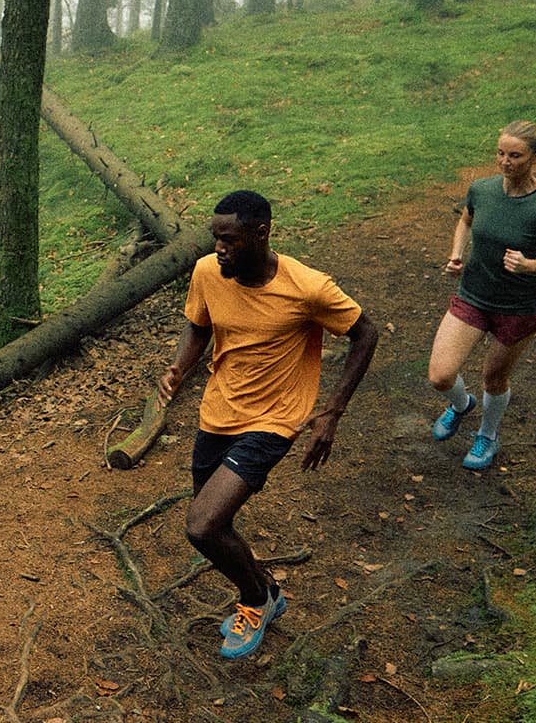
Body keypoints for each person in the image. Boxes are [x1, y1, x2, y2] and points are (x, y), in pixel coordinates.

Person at [158, 190, 379, 659]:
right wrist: (180, 367)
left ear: (262, 233)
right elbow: (199, 324)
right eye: (215, 239)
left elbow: (365, 333)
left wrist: (332, 412)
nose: (219, 249)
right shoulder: (207, 272)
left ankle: (255, 601)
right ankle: (267, 590)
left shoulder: (308, 288)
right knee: (216, 526)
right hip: (218, 413)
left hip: (275, 420)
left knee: (201, 526)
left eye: (230, 240)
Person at [426, 121, 536, 471]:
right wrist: (456, 253)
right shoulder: (481, 189)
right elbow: (465, 221)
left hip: (516, 307)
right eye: (500, 153)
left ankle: (488, 435)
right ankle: (462, 406)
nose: (505, 162)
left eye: (515, 156)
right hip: (473, 294)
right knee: (440, 376)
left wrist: (530, 265)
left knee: (494, 378)